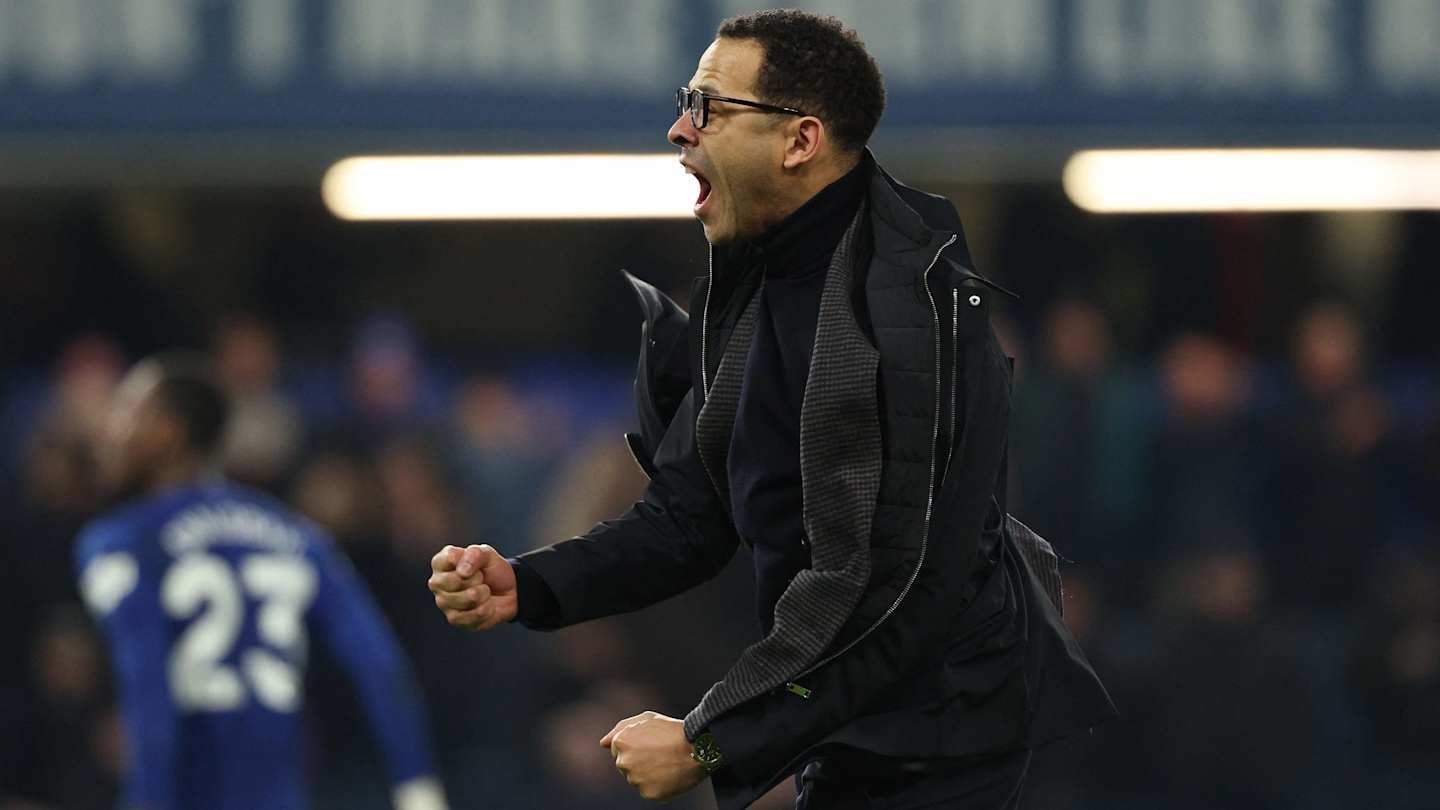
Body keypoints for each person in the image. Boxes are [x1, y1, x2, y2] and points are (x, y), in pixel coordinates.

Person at [429, 10, 1115, 809]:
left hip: (948, 744)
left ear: (800, 142)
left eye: (712, 107)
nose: (680, 128)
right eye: (689, 100)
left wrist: (707, 742)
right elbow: (690, 512)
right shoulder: (755, 275)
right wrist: (532, 583)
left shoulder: (901, 314)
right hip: (853, 725)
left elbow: (882, 592)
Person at [73, 355, 449, 810]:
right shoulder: (297, 534)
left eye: (126, 412)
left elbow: (149, 684)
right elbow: (380, 666)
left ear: (165, 432)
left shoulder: (123, 539)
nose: (110, 431)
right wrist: (419, 790)